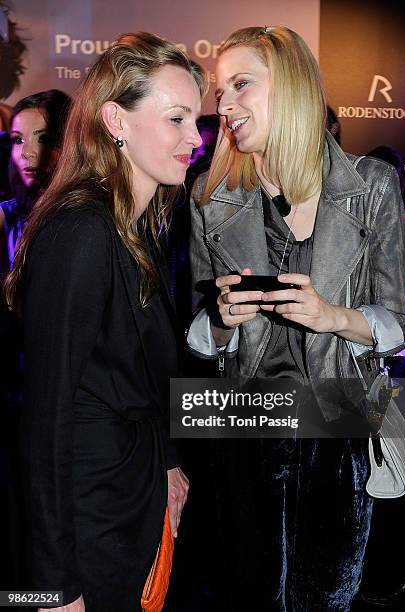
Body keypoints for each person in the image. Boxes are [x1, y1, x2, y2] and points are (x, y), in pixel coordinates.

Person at [187, 26, 405, 611]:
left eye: (241, 84)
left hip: (338, 421)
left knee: (327, 595)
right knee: (249, 594)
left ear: (290, 85)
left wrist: (334, 316)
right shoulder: (209, 197)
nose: (225, 106)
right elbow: (193, 333)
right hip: (244, 424)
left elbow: (396, 322)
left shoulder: (371, 187)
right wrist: (219, 319)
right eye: (219, 92)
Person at [4, 32, 204, 612]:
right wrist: (52, 588)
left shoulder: (132, 225)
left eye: (195, 118)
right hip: (84, 528)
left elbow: (133, 374)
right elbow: (43, 421)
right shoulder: (82, 231)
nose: (195, 137)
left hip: (127, 500)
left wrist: (166, 458)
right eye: (176, 119)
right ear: (116, 119)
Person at [0, 89, 71, 280]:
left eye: (44, 138)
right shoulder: (10, 213)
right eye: (18, 140)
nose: (26, 152)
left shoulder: (90, 214)